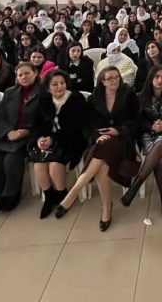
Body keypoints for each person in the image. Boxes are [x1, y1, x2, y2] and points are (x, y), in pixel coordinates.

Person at [56, 66, 140, 231]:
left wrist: (118, 130)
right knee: (102, 166)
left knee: (104, 149)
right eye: (110, 78)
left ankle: (75, 191)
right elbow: (86, 125)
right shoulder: (94, 99)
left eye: (117, 77)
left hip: (122, 140)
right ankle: (106, 207)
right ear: (102, 81)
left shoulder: (128, 94)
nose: (114, 81)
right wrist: (96, 136)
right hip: (99, 141)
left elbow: (136, 120)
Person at [121, 65, 162, 221]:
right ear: (150, 79)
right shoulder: (141, 97)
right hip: (149, 134)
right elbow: (138, 120)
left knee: (161, 143)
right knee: (159, 157)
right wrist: (151, 126)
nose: (160, 80)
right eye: (157, 77)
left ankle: (136, 185)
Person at [0, 62, 43, 212]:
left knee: (12, 159)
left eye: (27, 73)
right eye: (20, 75)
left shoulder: (43, 92)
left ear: (35, 73)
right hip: (9, 135)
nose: (23, 77)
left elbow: (45, 118)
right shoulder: (10, 92)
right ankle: (0, 193)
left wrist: (27, 131)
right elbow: (0, 117)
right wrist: (8, 132)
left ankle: (12, 193)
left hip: (30, 135)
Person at [30, 70, 88, 219]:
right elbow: (36, 124)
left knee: (55, 165)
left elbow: (75, 128)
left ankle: (62, 195)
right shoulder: (43, 100)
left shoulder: (76, 99)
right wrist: (39, 139)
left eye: (62, 83)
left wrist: (53, 139)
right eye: (55, 84)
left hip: (71, 140)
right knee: (39, 165)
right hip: (49, 140)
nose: (60, 86)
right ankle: (49, 197)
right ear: (48, 88)